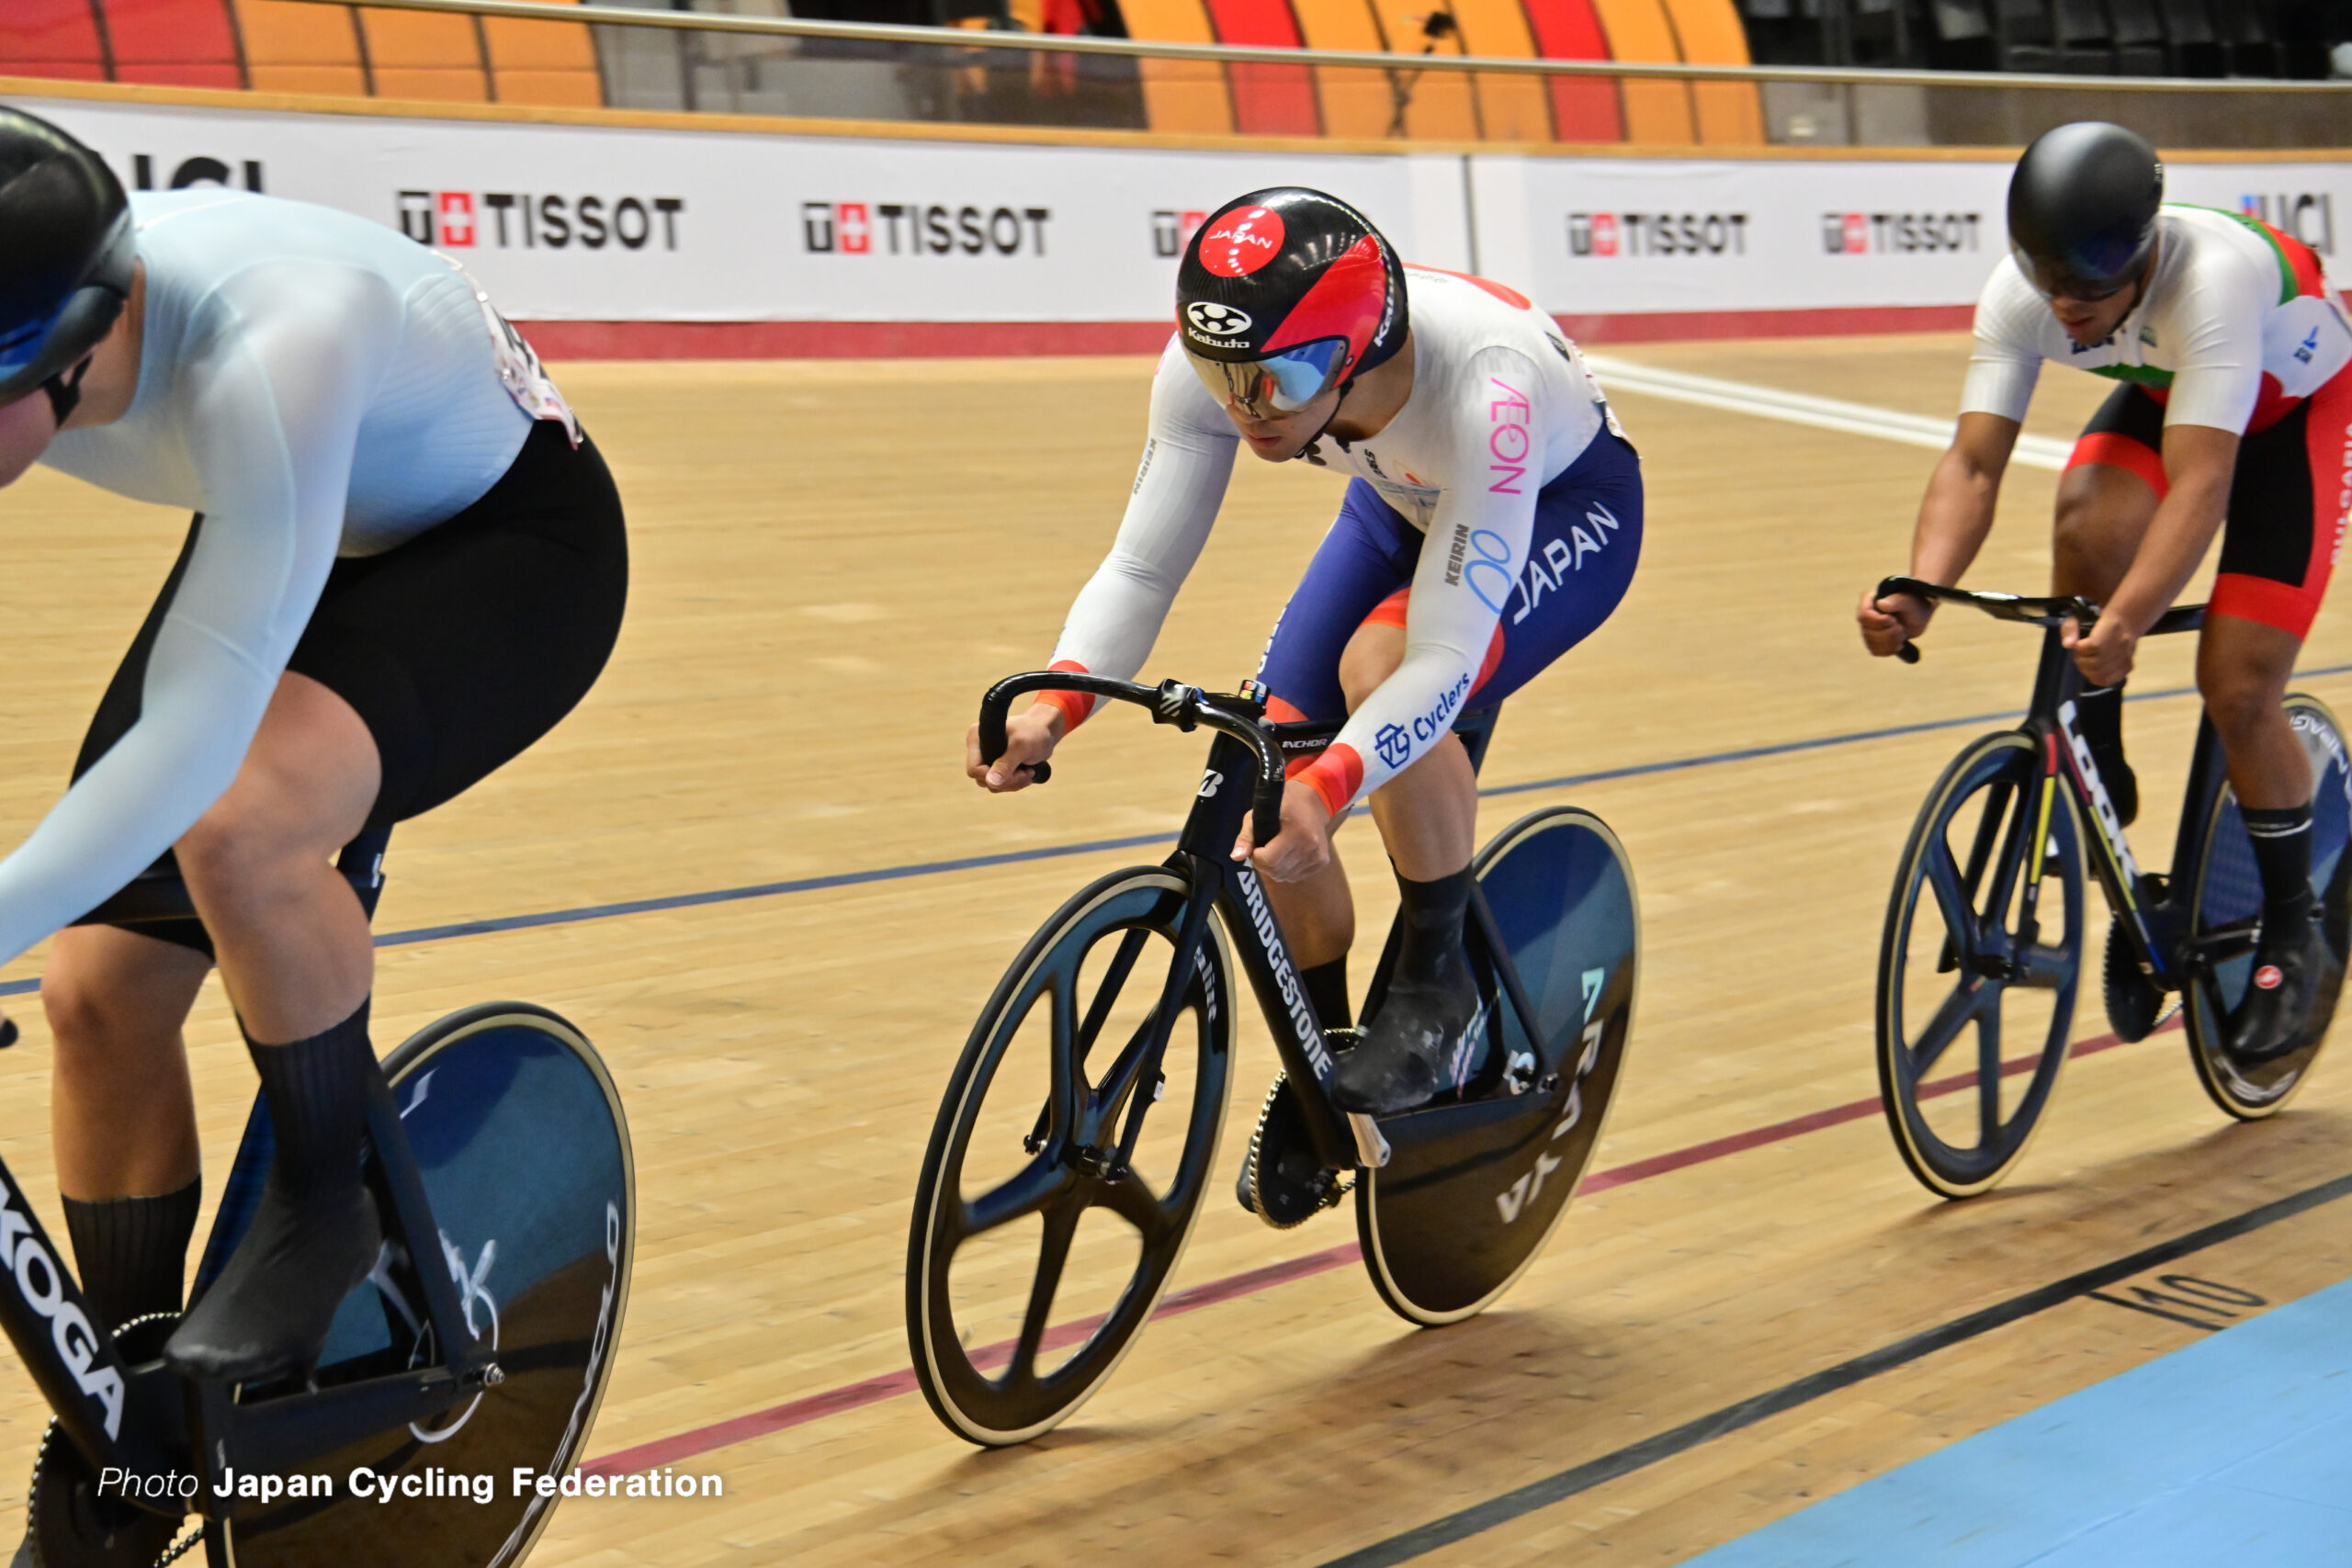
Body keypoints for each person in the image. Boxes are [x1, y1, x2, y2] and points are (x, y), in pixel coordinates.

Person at [0, 104, 628, 1440]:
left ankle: (320, 1200)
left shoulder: (271, 344)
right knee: (92, 990)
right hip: (307, 519)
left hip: (505, 547)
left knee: (242, 827)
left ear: (61, 357)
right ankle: (132, 1402)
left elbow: (200, 728)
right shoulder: (56, 329)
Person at [966, 186, 1643, 1114]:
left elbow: (1440, 657)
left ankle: (1433, 990)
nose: (1247, 410)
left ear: (1356, 355)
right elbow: (1140, 567)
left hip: (1561, 507)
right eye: (1222, 377)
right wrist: (1059, 704)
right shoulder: (1241, 357)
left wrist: (1333, 785)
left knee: (1382, 670)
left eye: (1278, 383)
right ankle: (1325, 1055)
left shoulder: (1488, 390)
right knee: (1261, 763)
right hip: (1398, 502)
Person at [1858, 120, 2352, 1063]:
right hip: (2180, 390)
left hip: (2296, 416)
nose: (2064, 306)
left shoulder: (2210, 283)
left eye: (2086, 288)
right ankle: (2101, 753)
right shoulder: (2029, 291)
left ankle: (2294, 929)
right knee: (2085, 526)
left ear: (2143, 253)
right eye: (2047, 281)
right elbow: (1972, 462)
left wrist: (2125, 621)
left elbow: (2205, 484)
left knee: (2239, 687)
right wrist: (1919, 587)